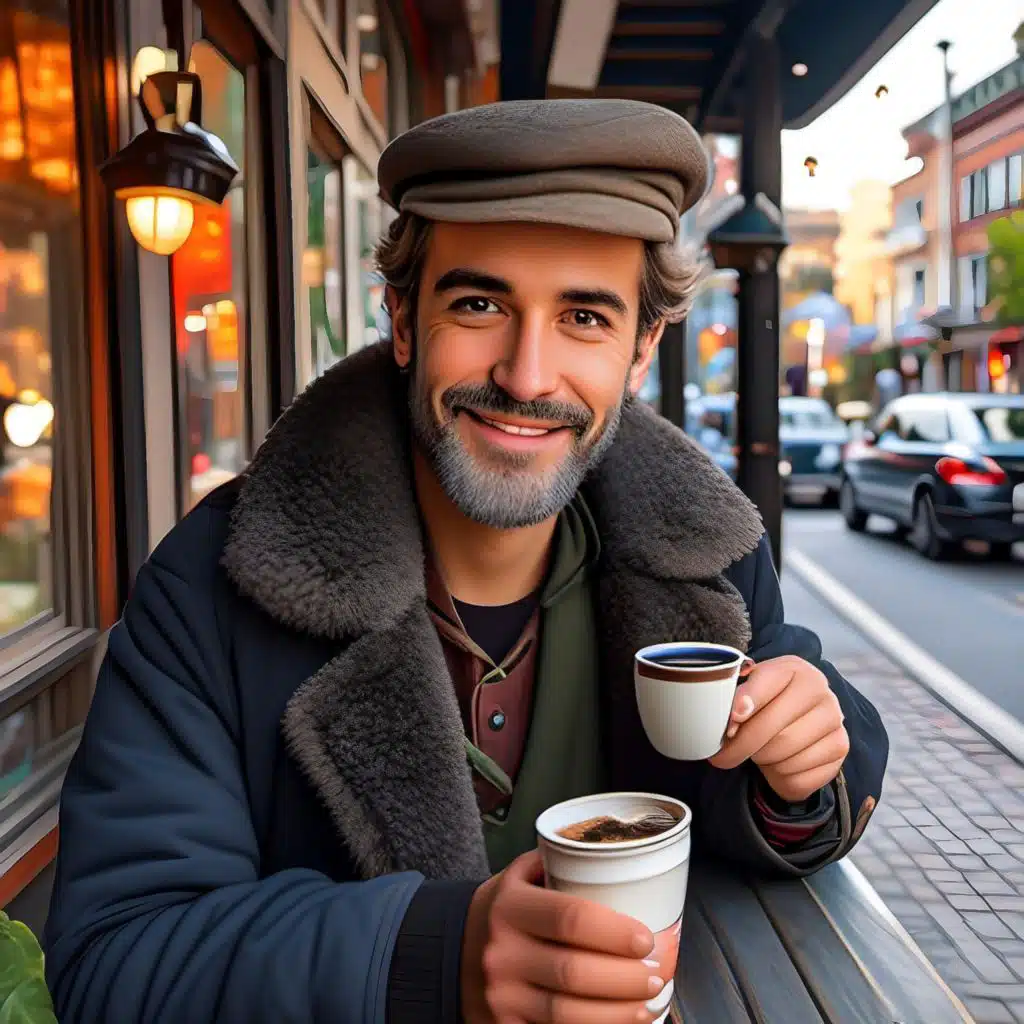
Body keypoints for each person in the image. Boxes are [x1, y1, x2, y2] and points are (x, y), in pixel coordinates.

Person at [44, 99, 887, 1023]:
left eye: (584, 318)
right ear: (404, 321)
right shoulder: (214, 581)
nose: (527, 376)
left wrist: (802, 774)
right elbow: (114, 961)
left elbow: (784, 768)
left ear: (641, 349)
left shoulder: (707, 556)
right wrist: (436, 957)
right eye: (480, 304)